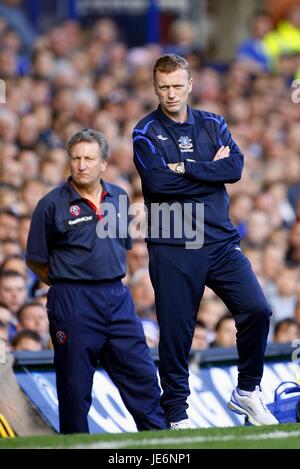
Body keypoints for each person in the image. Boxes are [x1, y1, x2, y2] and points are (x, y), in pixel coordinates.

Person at [133, 54, 278, 428]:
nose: (171, 93)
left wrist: (185, 167)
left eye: (177, 85)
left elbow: (235, 168)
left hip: (219, 240)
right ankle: (177, 413)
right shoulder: (145, 132)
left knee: (257, 309)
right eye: (164, 86)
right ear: (155, 87)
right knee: (178, 330)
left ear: (190, 85)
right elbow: (157, 183)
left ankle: (247, 390)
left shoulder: (213, 122)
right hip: (173, 242)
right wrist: (209, 171)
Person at [26, 128, 167, 434]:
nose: (82, 165)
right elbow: (35, 260)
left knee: (142, 376)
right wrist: (68, 283)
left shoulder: (118, 196)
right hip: (72, 301)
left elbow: (122, 248)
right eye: (75, 158)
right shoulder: (50, 205)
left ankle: (161, 442)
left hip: (117, 297)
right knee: (75, 388)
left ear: (103, 163)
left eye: (89, 158)